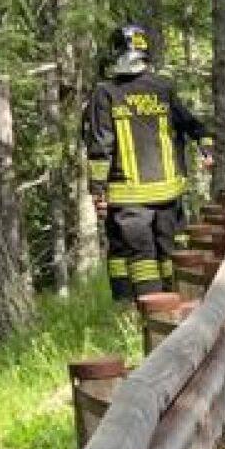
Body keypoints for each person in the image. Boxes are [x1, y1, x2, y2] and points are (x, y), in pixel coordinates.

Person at [82, 23, 213, 301]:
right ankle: (177, 309)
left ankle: (143, 315)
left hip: (128, 196)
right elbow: (192, 124)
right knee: (168, 253)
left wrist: (98, 190)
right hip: (169, 192)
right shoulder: (163, 87)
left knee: (140, 258)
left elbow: (101, 145)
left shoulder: (105, 93)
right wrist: (206, 147)